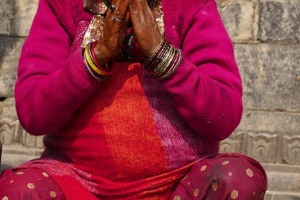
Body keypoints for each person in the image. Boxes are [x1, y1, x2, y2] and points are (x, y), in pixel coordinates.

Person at [0, 0, 267, 199]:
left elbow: (224, 116)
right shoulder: (63, 6)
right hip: (80, 186)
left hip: (179, 187)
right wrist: (97, 56)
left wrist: (160, 55)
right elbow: (33, 114)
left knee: (237, 178)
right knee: (20, 189)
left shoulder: (190, 5)